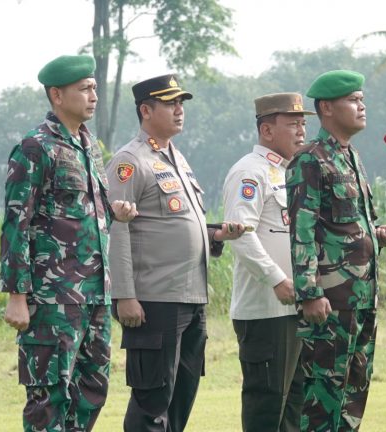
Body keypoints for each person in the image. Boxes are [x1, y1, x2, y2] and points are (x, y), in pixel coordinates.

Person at [0, 54, 138, 432]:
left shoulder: (89, 146)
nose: (93, 94)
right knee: (48, 398)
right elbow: (16, 224)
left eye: (94, 87)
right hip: (52, 298)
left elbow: (83, 213)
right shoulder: (35, 148)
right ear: (57, 95)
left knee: (92, 390)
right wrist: (16, 294)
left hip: (94, 293)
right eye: (84, 88)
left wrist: (115, 211)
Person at [107, 74, 245, 432]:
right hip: (154, 300)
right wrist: (124, 295)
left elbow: (176, 225)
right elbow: (116, 230)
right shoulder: (130, 161)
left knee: (181, 399)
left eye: (181, 103)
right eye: (171, 103)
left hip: (191, 298)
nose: (179, 110)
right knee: (152, 403)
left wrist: (213, 234)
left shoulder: (176, 159)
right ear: (146, 110)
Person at [285, 70, 386, 431]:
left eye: (362, 98)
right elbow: (301, 232)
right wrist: (310, 293)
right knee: (324, 399)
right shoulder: (310, 160)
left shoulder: (350, 157)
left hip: (362, 296)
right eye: (353, 100)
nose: (361, 105)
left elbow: (342, 225)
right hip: (331, 301)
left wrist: (373, 234)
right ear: (326, 108)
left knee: (354, 394)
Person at [222, 92, 315, 432]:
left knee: (296, 404)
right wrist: (277, 278)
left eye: (304, 123)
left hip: (298, 305)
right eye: (292, 123)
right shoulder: (250, 172)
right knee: (268, 402)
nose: (301, 131)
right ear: (267, 130)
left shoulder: (292, 173)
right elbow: (241, 235)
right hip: (266, 310)